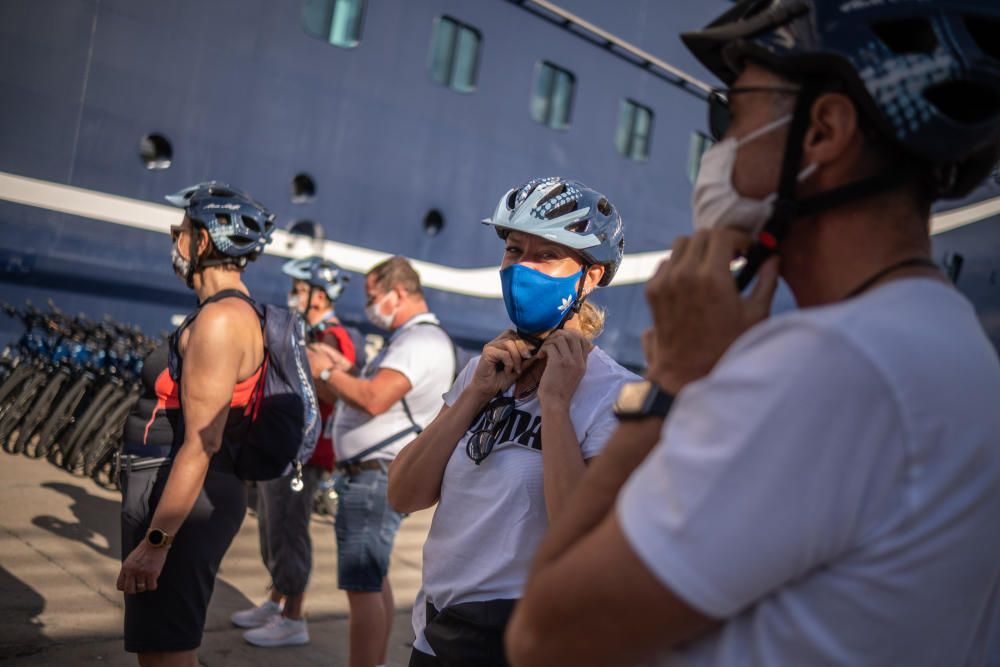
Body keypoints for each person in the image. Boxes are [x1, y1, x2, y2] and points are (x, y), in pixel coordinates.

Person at [505, 1, 1000, 666]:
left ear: (823, 131)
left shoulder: (827, 364)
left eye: (731, 114)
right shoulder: (955, 344)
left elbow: (545, 634)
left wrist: (673, 383)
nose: (718, 147)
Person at [388, 177, 638, 667]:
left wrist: (557, 405)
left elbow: (581, 536)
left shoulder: (612, 393)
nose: (521, 268)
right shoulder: (486, 370)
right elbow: (404, 494)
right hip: (436, 633)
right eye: (514, 250)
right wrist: (474, 393)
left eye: (545, 255)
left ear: (592, 275)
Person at [117, 182, 275, 665]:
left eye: (181, 230)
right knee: (162, 645)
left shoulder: (222, 320)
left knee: (166, 652)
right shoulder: (218, 313)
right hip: (179, 493)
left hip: (185, 501)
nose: (176, 242)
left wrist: (157, 542)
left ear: (203, 241)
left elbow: (200, 445)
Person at [307, 255, 456, 667]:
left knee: (362, 586)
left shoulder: (419, 341)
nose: (370, 305)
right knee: (371, 579)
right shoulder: (410, 339)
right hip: (372, 474)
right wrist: (346, 370)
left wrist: (323, 372)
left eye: (374, 296)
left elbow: (375, 399)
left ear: (400, 293)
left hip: (374, 476)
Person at [230, 256, 358, 647]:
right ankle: (276, 600)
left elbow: (330, 386)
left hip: (306, 452)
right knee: (272, 528)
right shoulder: (310, 332)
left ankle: (294, 616)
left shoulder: (334, 337)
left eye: (301, 289)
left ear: (320, 295)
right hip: (286, 446)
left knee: (289, 532)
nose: (294, 295)